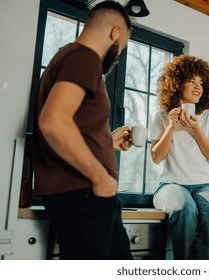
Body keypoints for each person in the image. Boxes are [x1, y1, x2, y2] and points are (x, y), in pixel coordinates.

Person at [32, 1, 133, 260]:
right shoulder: (85, 57)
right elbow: (52, 122)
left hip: (84, 196)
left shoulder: (65, 56)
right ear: (115, 33)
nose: (118, 55)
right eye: (121, 47)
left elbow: (67, 125)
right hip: (86, 196)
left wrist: (106, 142)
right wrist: (100, 177)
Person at [150, 54, 209, 260]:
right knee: (184, 207)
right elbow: (157, 158)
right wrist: (171, 127)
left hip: (205, 185)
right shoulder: (162, 117)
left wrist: (197, 129)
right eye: (192, 80)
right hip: (171, 185)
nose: (197, 86)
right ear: (176, 83)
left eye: (201, 82)